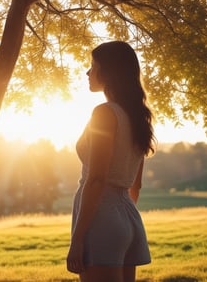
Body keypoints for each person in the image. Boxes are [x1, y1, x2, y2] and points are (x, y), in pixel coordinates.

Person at [66, 41, 156, 282]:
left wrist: (77, 238)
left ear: (108, 71)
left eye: (93, 66)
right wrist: (120, 221)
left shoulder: (104, 113)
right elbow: (135, 186)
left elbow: (96, 178)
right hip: (127, 215)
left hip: (101, 219)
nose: (88, 72)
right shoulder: (138, 117)